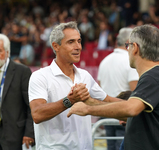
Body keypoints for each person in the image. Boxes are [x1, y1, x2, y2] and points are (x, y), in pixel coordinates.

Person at [67, 24, 159, 150]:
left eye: (128, 46)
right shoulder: (155, 76)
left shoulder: (153, 77)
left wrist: (87, 109)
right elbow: (136, 115)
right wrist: (91, 102)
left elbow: (131, 109)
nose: (128, 50)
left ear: (135, 47)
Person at [28, 21, 121, 150]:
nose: (78, 47)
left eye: (79, 41)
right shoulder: (40, 76)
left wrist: (136, 107)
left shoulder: (84, 75)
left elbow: (108, 100)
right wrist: (70, 100)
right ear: (56, 46)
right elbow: (37, 114)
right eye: (71, 42)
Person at [97, 27, 139, 150]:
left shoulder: (104, 61)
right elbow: (135, 91)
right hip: (123, 113)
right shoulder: (129, 61)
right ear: (128, 41)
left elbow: (99, 88)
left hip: (107, 111)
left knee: (111, 146)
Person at [0, 34, 34, 149]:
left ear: (7, 52)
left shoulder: (22, 71)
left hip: (15, 135)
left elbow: (31, 105)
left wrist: (29, 132)